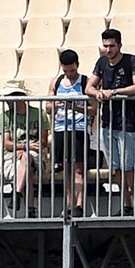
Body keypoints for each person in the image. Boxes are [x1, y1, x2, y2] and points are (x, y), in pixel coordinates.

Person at [87, 28, 135, 217]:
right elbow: (89, 86)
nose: (108, 50)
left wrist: (114, 92)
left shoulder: (132, 60)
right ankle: (126, 204)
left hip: (127, 120)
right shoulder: (102, 62)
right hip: (108, 121)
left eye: (112, 45)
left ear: (119, 45)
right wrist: (96, 93)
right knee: (116, 167)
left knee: (129, 166)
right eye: (105, 46)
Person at [51, 49, 93, 219]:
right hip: (61, 128)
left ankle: (79, 204)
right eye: (66, 71)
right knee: (66, 169)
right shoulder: (56, 82)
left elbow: (93, 109)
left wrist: (75, 107)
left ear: (78, 66)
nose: (69, 74)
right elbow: (48, 106)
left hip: (80, 128)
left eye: (72, 70)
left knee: (79, 169)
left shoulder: (85, 82)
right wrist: (56, 104)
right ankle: (68, 205)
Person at [0, 79, 48, 219]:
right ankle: (30, 208)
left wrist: (25, 149)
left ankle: (17, 193)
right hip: (13, 156)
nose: (6, 101)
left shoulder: (39, 114)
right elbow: (7, 144)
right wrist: (25, 146)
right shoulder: (5, 116)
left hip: (34, 154)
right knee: (28, 169)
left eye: (9, 97)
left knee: (27, 158)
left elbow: (43, 141)